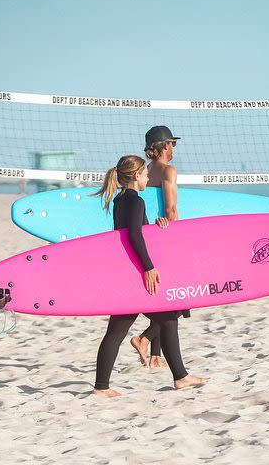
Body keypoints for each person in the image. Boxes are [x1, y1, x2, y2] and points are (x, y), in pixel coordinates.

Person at [92, 155, 208, 397]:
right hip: (137, 273)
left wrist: (157, 227)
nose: (147, 177)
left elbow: (131, 233)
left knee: (122, 329)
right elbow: (134, 236)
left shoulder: (120, 200)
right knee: (166, 318)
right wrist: (148, 268)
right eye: (145, 174)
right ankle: (180, 377)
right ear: (136, 176)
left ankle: (102, 386)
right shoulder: (136, 202)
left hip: (126, 270)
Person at [130, 126, 184, 368]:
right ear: (164, 146)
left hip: (148, 235)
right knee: (177, 300)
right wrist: (178, 237)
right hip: (165, 235)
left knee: (162, 297)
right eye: (172, 143)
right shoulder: (168, 171)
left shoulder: (146, 171)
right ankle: (144, 338)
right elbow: (170, 210)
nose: (173, 148)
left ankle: (155, 355)